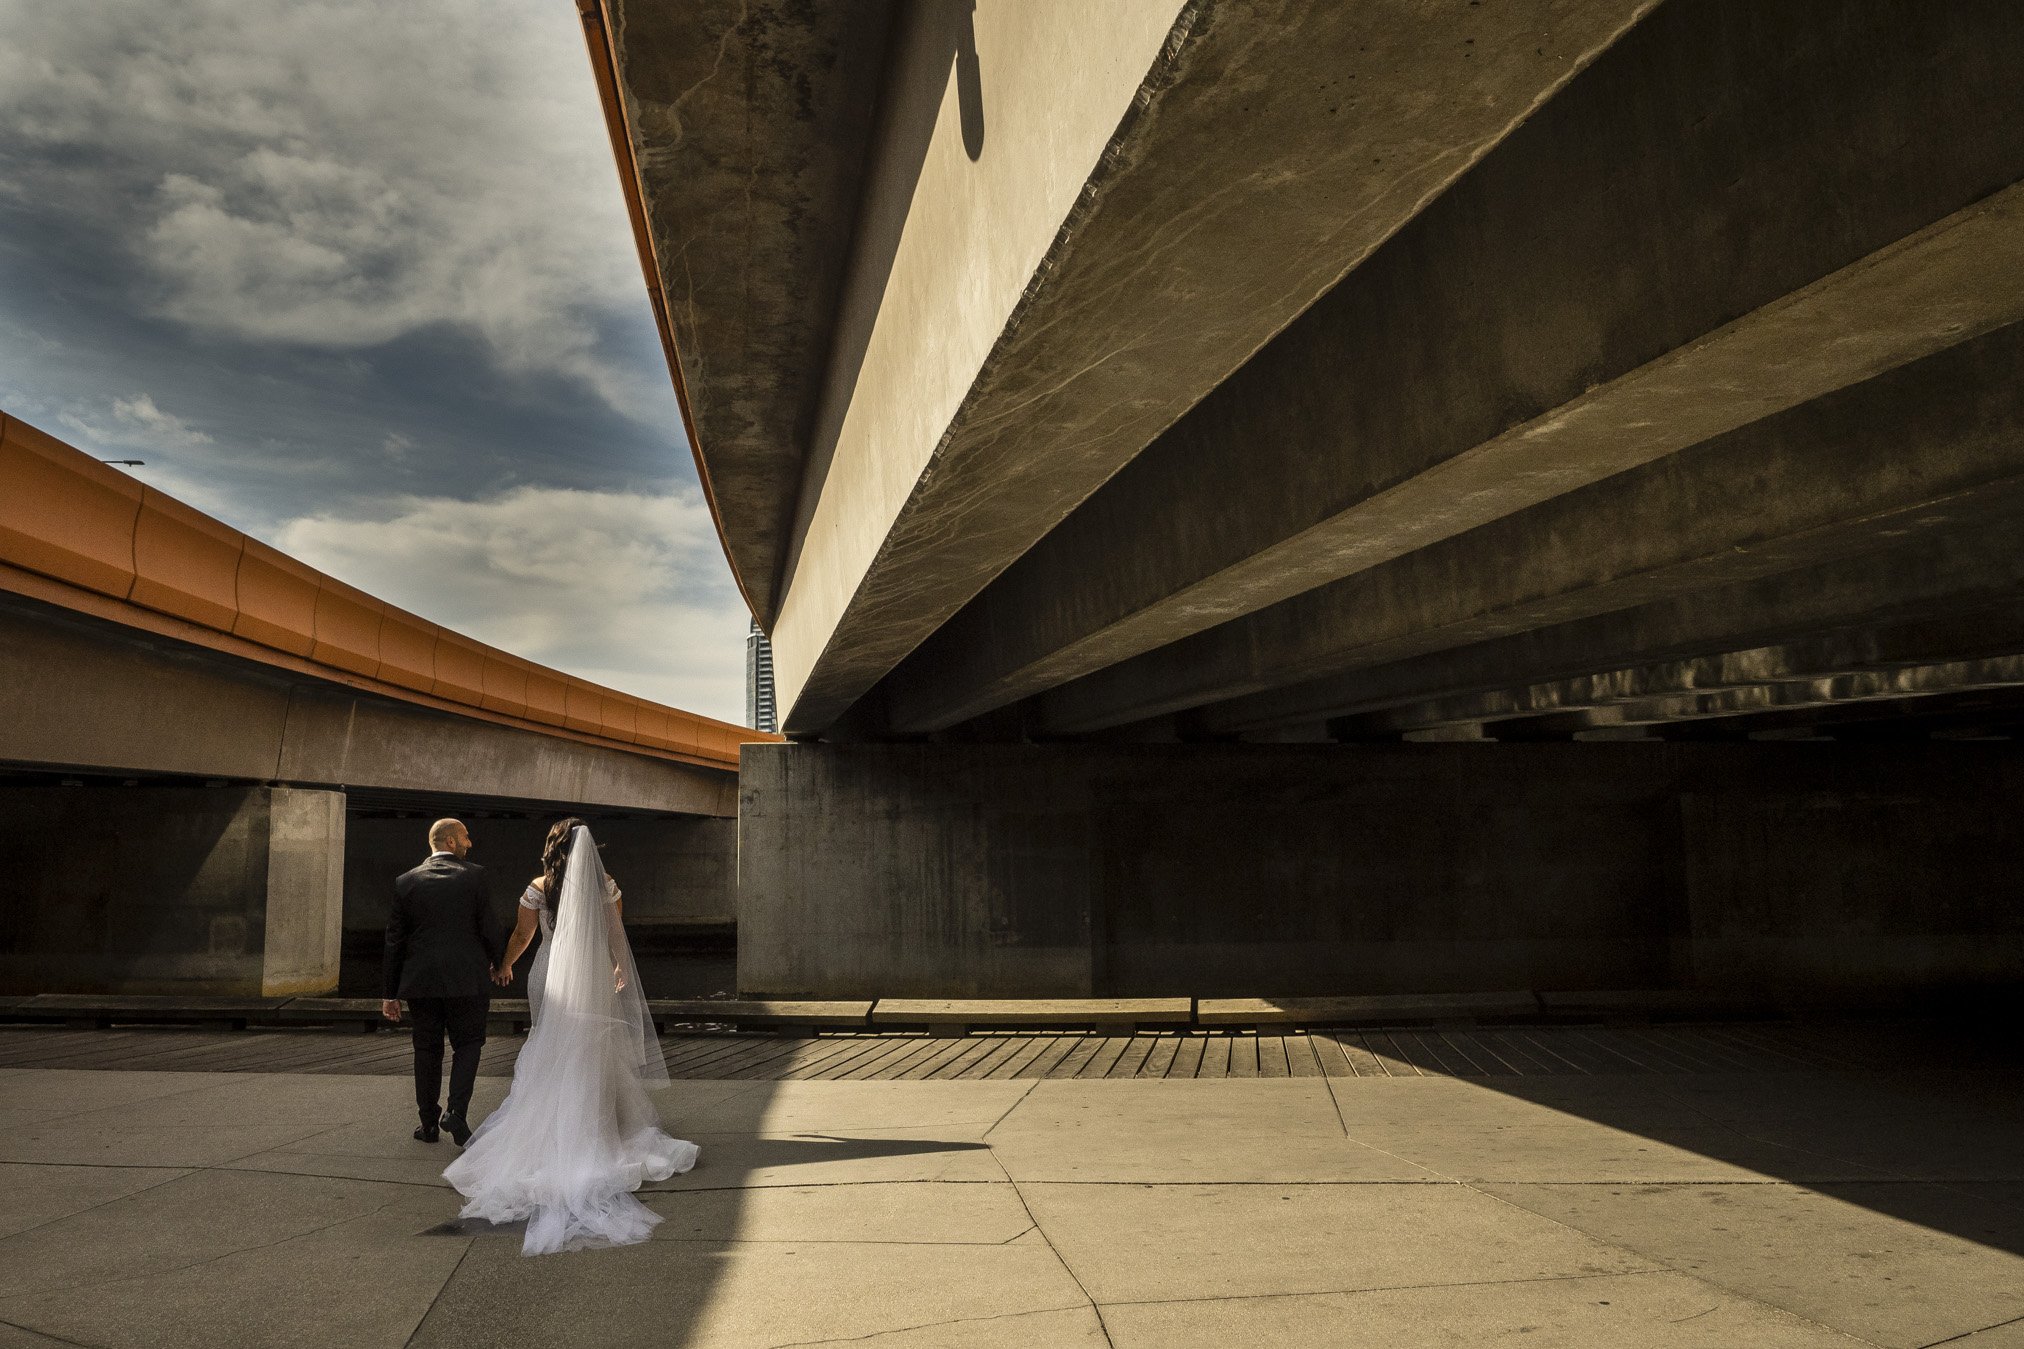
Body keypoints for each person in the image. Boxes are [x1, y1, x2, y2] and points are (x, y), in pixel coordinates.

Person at [444, 818, 698, 1255]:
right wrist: (619, 967)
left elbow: (524, 934)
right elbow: (614, 934)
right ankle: (600, 1128)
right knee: (595, 1047)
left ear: (551, 847)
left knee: (552, 1045)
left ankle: (557, 1124)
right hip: (593, 972)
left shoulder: (539, 886)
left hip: (551, 974)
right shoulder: (607, 884)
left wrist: (505, 964)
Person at [382, 817, 503, 1146]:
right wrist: (499, 962)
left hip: (422, 982)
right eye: (465, 837)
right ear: (450, 842)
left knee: (426, 1049)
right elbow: (489, 927)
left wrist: (390, 994)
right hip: (467, 978)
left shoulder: (406, 882)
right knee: (468, 1044)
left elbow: (394, 942)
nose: (470, 843)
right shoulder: (476, 876)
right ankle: (456, 1112)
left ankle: (428, 1124)